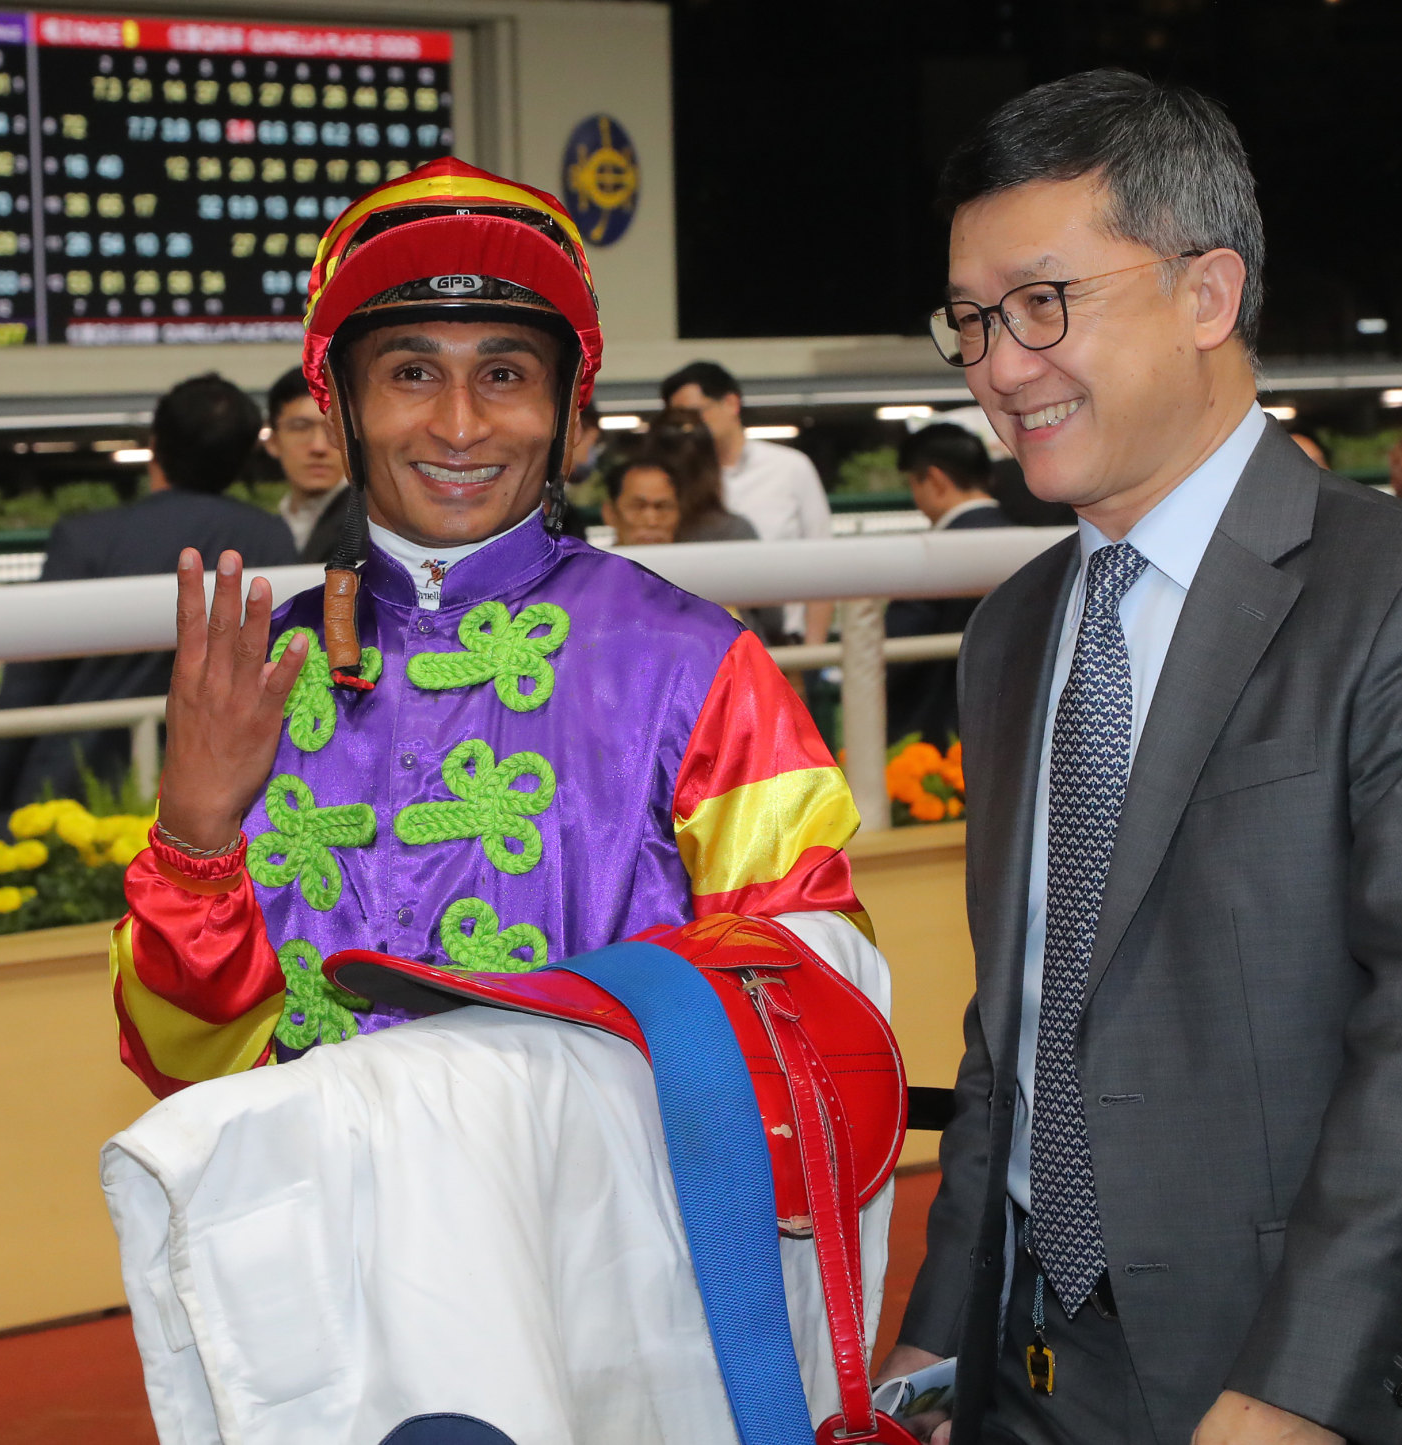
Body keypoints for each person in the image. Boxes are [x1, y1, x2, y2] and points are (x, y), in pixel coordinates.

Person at [100, 159, 893, 1441]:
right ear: (340, 405)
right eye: (411, 371)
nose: (459, 423)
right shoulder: (260, 670)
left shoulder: (701, 664)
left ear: (571, 418)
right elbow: (179, 1059)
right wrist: (193, 838)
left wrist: (510, 1090)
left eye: (506, 374)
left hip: (623, 1299)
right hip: (333, 1292)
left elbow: (815, 1002)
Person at [883, 69, 1402, 1445]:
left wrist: (1292, 1395)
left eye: (1041, 304)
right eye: (968, 319)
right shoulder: (1011, 634)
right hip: (1035, 1368)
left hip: (1304, 1372)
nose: (995, 365)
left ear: (1205, 297)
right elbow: (1011, 1032)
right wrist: (936, 1328)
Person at [0, 373, 295, 833]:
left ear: (155, 446)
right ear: (243, 455)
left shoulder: (86, 537)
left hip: (68, 799)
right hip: (217, 803)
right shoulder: (270, 538)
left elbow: (28, 682)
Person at [661, 360, 835, 644]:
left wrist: (811, 654)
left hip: (784, 639)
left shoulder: (790, 467)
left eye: (696, 413)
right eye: (678, 420)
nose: (689, 427)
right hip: (705, 643)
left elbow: (824, 563)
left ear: (731, 403)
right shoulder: (677, 482)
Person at [605, 413, 786, 642]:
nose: (651, 520)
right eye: (638, 506)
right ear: (609, 513)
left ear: (678, 510)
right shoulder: (589, 582)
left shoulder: (711, 586)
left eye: (663, 507)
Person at [886, 422, 1008, 748]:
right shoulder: (1032, 545)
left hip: (934, 740)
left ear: (936, 480)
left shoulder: (928, 556)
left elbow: (894, 655)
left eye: (914, 483)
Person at [264, 365, 359, 564]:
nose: (318, 447)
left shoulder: (375, 524)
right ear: (273, 441)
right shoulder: (263, 525)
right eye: (300, 428)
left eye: (335, 427)